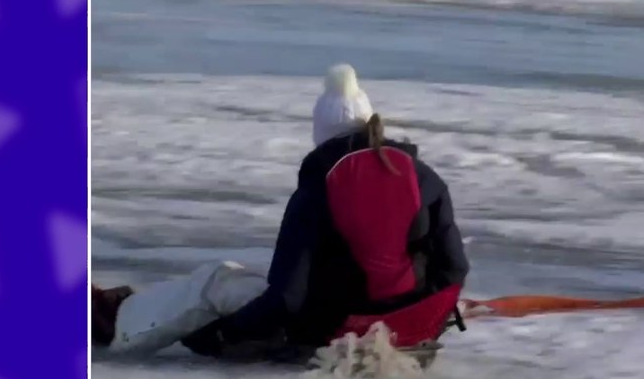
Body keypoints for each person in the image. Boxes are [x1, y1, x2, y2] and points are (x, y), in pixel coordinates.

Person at [92, 64, 470, 359]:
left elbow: (286, 299)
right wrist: (415, 321)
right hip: (403, 332)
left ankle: (116, 325)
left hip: (325, 333)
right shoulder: (426, 180)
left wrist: (226, 333)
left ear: (322, 133)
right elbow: (454, 269)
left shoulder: (318, 190)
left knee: (216, 281)